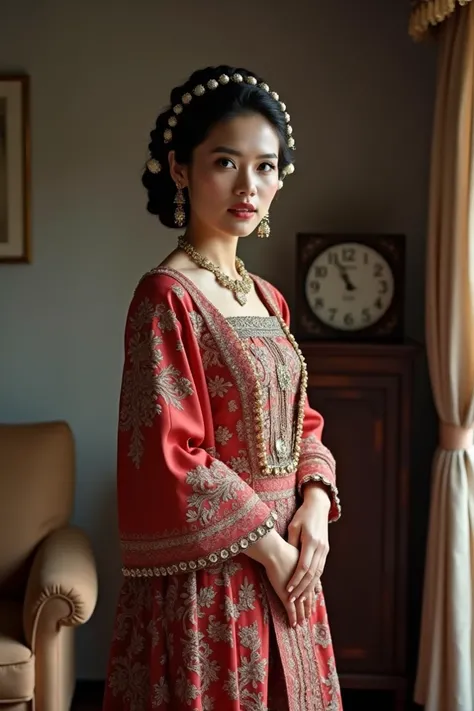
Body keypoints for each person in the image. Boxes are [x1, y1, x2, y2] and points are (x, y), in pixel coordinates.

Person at [103, 65, 343, 711]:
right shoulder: (166, 297)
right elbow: (170, 453)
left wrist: (315, 505)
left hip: (289, 561)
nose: (249, 186)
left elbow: (303, 420)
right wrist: (269, 549)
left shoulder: (267, 298)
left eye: (266, 167)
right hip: (215, 577)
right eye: (226, 162)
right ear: (180, 169)